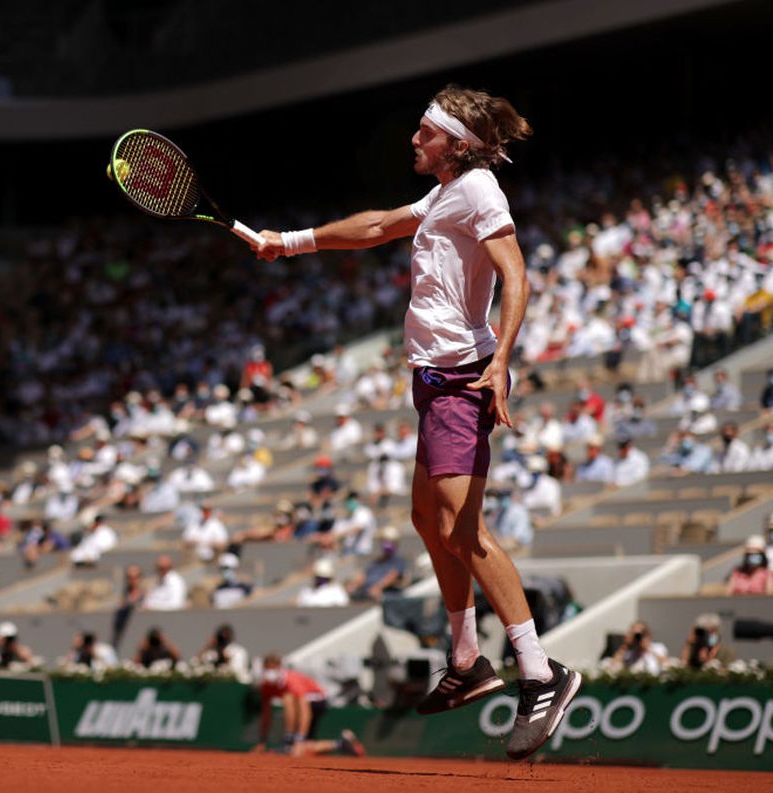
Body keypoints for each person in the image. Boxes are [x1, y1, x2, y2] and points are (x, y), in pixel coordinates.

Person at [252, 85, 580, 760]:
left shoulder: (480, 189)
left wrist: (504, 357)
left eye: (424, 134)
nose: (413, 141)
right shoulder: (448, 191)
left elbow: (515, 275)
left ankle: (541, 672)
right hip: (431, 382)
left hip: (462, 379)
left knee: (463, 524)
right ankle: (465, 656)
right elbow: (377, 226)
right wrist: (289, 242)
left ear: (455, 144)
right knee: (427, 520)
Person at [254, 654, 363, 757]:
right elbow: (266, 713)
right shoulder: (266, 686)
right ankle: (340, 743)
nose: (269, 672)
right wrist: (262, 740)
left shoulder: (291, 680)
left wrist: (299, 740)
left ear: (279, 668)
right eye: (267, 669)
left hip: (317, 700)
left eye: (272, 669)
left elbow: (304, 709)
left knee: (288, 698)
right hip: (301, 709)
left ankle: (289, 739)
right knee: (301, 750)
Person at [346, 527, 407, 603]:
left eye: (389, 541)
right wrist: (354, 584)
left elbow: (393, 576)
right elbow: (364, 576)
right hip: (367, 592)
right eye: (384, 541)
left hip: (387, 594)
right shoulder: (376, 562)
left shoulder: (397, 561)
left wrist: (378, 587)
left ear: (396, 543)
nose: (386, 544)